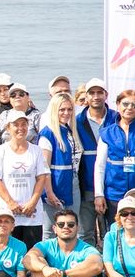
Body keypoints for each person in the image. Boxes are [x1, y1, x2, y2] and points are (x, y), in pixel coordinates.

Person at [0, 111, 50, 250]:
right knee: (9, 250)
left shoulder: (36, 150)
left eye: (24, 124)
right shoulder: (0, 151)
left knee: (32, 252)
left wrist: (32, 202)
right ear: (8, 128)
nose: (20, 128)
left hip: (31, 212)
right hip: (8, 211)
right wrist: (11, 203)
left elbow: (41, 178)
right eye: (16, 125)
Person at [76, 78, 116, 246]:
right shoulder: (77, 121)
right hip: (86, 184)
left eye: (100, 92)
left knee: (112, 231)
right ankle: (90, 270)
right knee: (85, 233)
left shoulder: (116, 117)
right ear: (86, 96)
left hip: (113, 184)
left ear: (106, 95)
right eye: (92, 93)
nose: (96, 96)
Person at [38, 93, 82, 240]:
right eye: (62, 110)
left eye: (69, 110)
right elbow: (44, 167)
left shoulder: (68, 130)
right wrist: (49, 193)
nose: (66, 113)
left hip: (72, 182)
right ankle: (48, 260)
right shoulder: (48, 133)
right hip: (55, 185)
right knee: (51, 229)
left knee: (71, 225)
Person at [95, 89, 135, 231]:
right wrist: (99, 195)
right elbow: (99, 166)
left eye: (133, 105)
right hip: (114, 193)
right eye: (125, 104)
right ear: (118, 105)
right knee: (115, 231)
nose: (129, 108)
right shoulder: (107, 133)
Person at [0, 83, 41, 165]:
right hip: (7, 160)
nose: (17, 97)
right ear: (10, 99)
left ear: (27, 97)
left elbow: (43, 138)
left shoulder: (36, 116)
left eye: (21, 94)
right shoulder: (5, 115)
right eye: (13, 95)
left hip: (30, 159)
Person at [101, 196, 135, 277]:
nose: (129, 217)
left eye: (134, 213)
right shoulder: (111, 237)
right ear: (119, 217)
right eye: (124, 213)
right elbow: (109, 270)